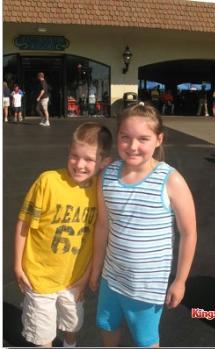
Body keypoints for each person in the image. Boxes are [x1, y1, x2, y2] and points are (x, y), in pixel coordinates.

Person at [90, 102, 197, 347]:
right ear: (117, 137)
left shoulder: (171, 180)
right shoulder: (107, 176)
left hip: (146, 286)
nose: (133, 146)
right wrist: (96, 268)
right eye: (125, 138)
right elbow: (103, 225)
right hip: (112, 278)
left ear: (159, 139)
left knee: (145, 340)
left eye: (143, 139)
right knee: (107, 325)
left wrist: (180, 280)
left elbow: (189, 233)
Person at [14, 122, 113, 347]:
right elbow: (24, 223)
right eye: (74, 156)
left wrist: (86, 276)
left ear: (104, 162)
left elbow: (96, 240)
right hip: (39, 277)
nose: (79, 164)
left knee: (72, 324)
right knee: (43, 336)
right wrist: (18, 265)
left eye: (89, 159)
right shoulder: (48, 182)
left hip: (74, 279)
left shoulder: (100, 191)